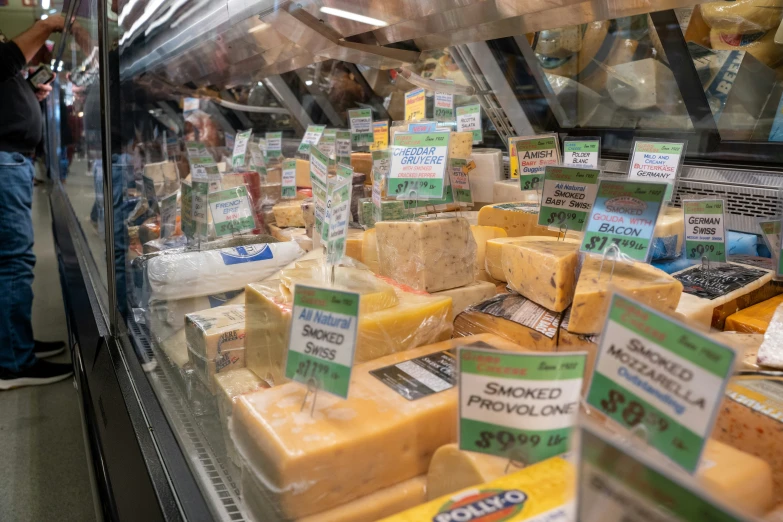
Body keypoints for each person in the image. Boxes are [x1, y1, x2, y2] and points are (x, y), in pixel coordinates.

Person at [0, 15, 73, 389]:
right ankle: (12, 363)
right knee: (14, 261)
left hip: (12, 159)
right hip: (4, 159)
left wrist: (29, 91)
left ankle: (13, 343)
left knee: (13, 259)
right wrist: (48, 25)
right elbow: (3, 61)